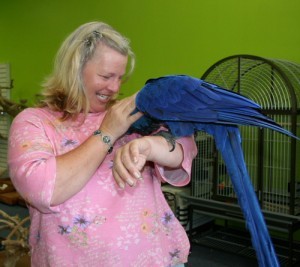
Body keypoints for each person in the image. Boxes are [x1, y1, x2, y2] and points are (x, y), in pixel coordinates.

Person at [8, 21, 197, 267]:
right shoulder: (35, 122)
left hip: (156, 258)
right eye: (106, 76)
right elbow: (44, 188)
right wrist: (107, 132)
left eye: (120, 77)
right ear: (74, 70)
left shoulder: (128, 113)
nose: (115, 87)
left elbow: (183, 150)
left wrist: (149, 146)